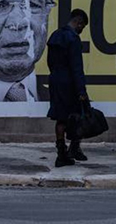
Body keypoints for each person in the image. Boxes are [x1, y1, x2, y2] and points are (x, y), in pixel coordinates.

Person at [46, 9, 90, 167]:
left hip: (55, 79)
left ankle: (61, 152)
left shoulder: (55, 35)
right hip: (70, 82)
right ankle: (73, 148)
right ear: (78, 22)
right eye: (82, 26)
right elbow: (76, 67)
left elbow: (50, 62)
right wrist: (81, 91)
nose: (81, 30)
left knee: (60, 117)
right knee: (77, 115)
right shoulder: (73, 39)